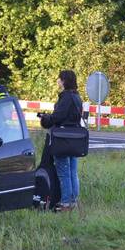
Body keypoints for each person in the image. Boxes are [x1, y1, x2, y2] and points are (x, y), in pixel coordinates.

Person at [40, 69, 83, 211]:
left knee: (63, 171)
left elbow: (58, 117)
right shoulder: (77, 97)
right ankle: (73, 201)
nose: (58, 81)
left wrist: (45, 119)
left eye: (59, 78)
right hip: (74, 138)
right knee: (72, 170)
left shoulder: (66, 97)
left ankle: (66, 203)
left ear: (64, 81)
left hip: (62, 138)